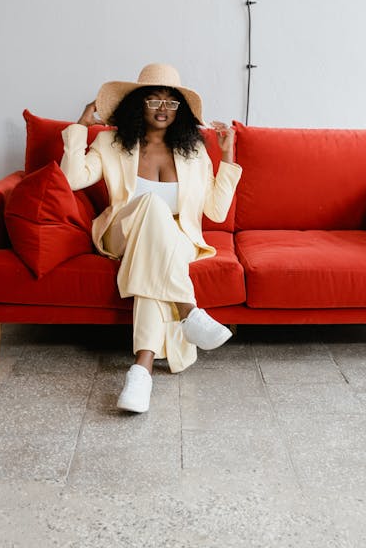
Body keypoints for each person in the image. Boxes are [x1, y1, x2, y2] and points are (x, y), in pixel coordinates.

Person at [59, 63, 242, 414]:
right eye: (154, 100)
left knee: (154, 263)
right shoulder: (110, 142)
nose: (162, 108)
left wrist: (227, 154)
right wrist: (81, 127)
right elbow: (71, 179)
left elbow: (216, 213)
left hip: (177, 240)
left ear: (180, 110)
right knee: (152, 207)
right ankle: (188, 311)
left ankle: (140, 372)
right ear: (138, 104)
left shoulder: (194, 153)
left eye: (171, 102)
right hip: (122, 232)